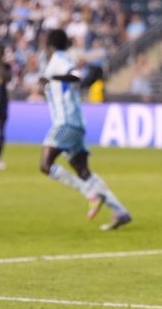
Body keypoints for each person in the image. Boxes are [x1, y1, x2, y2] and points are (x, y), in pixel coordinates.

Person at [39, 29, 132, 231]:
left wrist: (54, 79)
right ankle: (120, 211)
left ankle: (90, 194)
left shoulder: (59, 59)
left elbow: (75, 75)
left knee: (45, 165)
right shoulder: (56, 61)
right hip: (76, 123)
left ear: (50, 44)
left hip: (66, 123)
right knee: (83, 171)